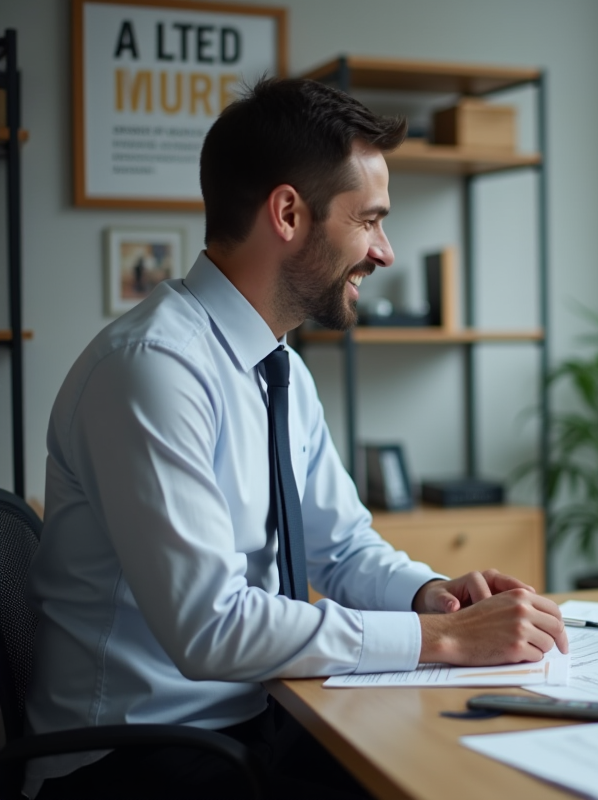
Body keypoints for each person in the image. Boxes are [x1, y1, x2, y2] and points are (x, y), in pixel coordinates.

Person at [25, 78, 568, 800]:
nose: (386, 252)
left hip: (259, 716)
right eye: (369, 220)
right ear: (287, 213)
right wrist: (444, 643)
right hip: (131, 758)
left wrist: (431, 598)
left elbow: (341, 547)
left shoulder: (276, 367)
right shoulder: (151, 371)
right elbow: (211, 627)